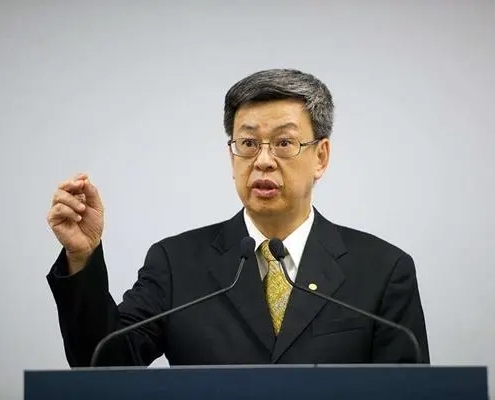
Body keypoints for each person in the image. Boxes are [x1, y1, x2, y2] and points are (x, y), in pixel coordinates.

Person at [46, 68, 430, 367]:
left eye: (284, 142)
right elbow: (104, 363)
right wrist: (82, 256)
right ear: (231, 155)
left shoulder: (383, 270)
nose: (263, 161)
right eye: (247, 143)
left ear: (321, 157)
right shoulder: (177, 263)